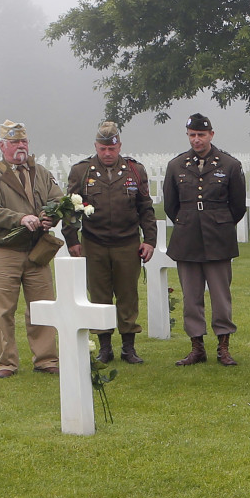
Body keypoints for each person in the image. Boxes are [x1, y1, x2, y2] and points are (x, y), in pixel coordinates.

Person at [0, 120, 61, 378]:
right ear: (2, 146)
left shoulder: (40, 172)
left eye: (23, 141)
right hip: (5, 250)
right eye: (14, 142)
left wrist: (50, 216)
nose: (20, 146)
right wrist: (19, 218)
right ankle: (7, 362)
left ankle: (46, 359)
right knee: (4, 310)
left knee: (42, 305)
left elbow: (57, 198)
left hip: (37, 250)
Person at [64, 121, 157, 364]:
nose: (107, 153)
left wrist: (150, 240)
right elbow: (70, 208)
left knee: (128, 294)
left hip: (127, 242)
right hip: (94, 242)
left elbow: (145, 207)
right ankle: (104, 346)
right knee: (99, 295)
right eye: (103, 148)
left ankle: (129, 347)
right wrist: (72, 240)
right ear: (96, 146)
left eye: (112, 148)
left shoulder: (134, 170)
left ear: (119, 146)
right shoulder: (82, 171)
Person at [160, 113, 247, 365]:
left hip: (218, 238)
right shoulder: (176, 165)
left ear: (211, 135)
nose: (196, 139)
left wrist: (219, 222)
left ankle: (223, 346)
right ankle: (197, 346)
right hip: (187, 238)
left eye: (201, 135)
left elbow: (237, 206)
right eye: (192, 135)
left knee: (221, 297)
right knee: (191, 298)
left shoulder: (229, 165)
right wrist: (189, 220)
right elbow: (171, 205)